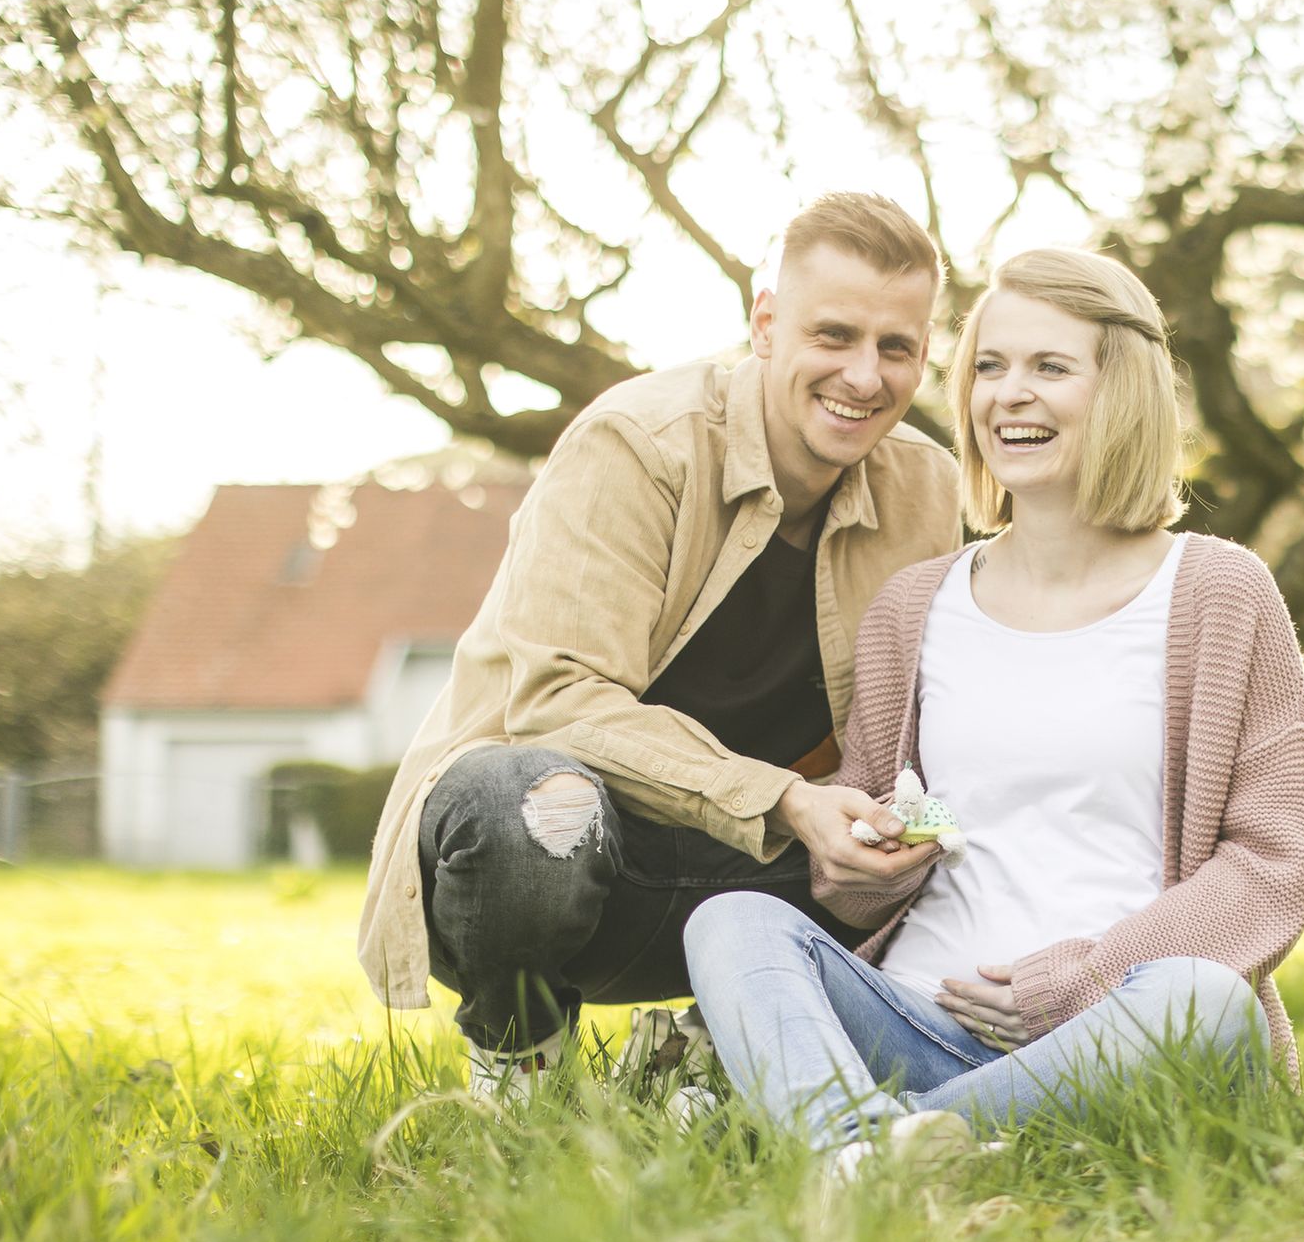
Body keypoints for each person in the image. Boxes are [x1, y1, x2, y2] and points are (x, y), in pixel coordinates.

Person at [682, 247, 1304, 1169]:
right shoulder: (914, 605)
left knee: (1208, 1002)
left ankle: (864, 1141)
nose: (1008, 394)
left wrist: (1080, 980)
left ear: (1123, 390)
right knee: (731, 922)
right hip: (914, 1017)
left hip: (1119, 1026)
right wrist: (879, 848)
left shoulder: (1221, 592)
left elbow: (1273, 865)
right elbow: (876, 864)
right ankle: (891, 1152)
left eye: (1049, 367)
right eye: (989, 367)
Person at [355, 194, 963, 1100]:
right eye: (833, 336)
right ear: (765, 323)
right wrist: (785, 800)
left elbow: (918, 726)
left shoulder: (928, 487)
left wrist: (896, 824)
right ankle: (520, 1068)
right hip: (561, 848)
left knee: (935, 835)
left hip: (753, 867)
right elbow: (556, 701)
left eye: (897, 347)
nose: (865, 376)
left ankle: (708, 1056)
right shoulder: (636, 445)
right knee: (533, 802)